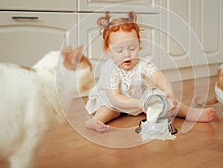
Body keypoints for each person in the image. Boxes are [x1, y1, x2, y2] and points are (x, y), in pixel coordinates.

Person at [85, 11, 215, 132]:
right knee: (108, 110)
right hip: (115, 102)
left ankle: (190, 112)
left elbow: (157, 77)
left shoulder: (142, 63)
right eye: (120, 50)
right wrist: (139, 104)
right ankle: (94, 121)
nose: (127, 54)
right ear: (109, 51)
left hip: (139, 96)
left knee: (165, 100)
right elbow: (115, 98)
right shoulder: (109, 69)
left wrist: (169, 91)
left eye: (132, 48)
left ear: (139, 45)